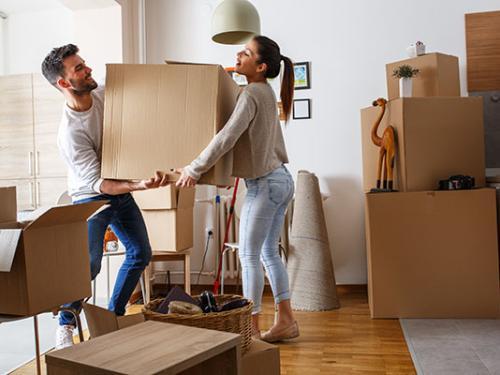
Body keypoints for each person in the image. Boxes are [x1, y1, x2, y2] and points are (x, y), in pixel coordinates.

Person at [41, 44, 169, 349]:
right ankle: (66, 324)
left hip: (120, 190)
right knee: (89, 264)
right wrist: (139, 185)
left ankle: (112, 317)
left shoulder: (102, 94)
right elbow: (101, 184)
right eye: (79, 69)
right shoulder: (70, 133)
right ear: (63, 83)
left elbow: (138, 90)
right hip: (91, 198)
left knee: (140, 252)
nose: (88, 70)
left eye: (85, 64)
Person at [176, 35, 299, 342]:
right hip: (281, 180)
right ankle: (286, 321)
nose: (238, 54)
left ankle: (252, 330)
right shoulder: (264, 91)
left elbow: (226, 137)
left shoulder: (251, 94)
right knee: (269, 252)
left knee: (248, 255)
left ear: (261, 66)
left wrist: (194, 169)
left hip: (265, 184)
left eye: (246, 53)